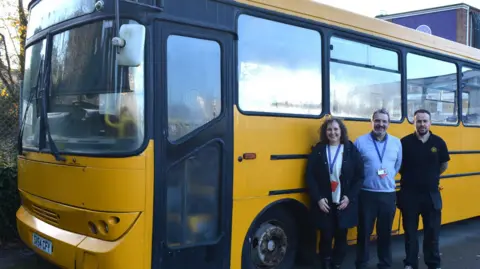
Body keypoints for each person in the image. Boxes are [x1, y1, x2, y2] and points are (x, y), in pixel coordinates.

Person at [305, 117, 364, 269]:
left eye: (336, 129)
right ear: (325, 132)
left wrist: (349, 198)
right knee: (325, 235)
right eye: (329, 129)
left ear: (341, 131)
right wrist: (318, 198)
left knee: (341, 236)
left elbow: (360, 177)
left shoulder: (350, 150)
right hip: (325, 202)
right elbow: (310, 176)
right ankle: (325, 262)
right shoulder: (319, 150)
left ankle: (337, 263)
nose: (333, 133)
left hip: (343, 201)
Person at [398, 109, 450, 269]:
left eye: (424, 121)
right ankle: (410, 263)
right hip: (409, 195)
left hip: (431, 195)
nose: (422, 124)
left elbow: (444, 165)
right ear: (414, 122)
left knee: (432, 234)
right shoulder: (404, 142)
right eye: (418, 121)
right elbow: (398, 166)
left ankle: (433, 263)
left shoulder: (439, 142)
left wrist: (430, 176)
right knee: (410, 234)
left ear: (430, 123)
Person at [354, 108, 402, 269]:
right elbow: (355, 167)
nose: (380, 124)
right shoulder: (360, 142)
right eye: (377, 121)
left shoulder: (396, 142)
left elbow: (397, 165)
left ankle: (385, 264)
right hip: (366, 194)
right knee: (364, 233)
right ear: (372, 122)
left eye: (384, 121)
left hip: (388, 195)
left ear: (388, 124)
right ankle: (361, 264)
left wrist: (385, 178)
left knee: (385, 233)